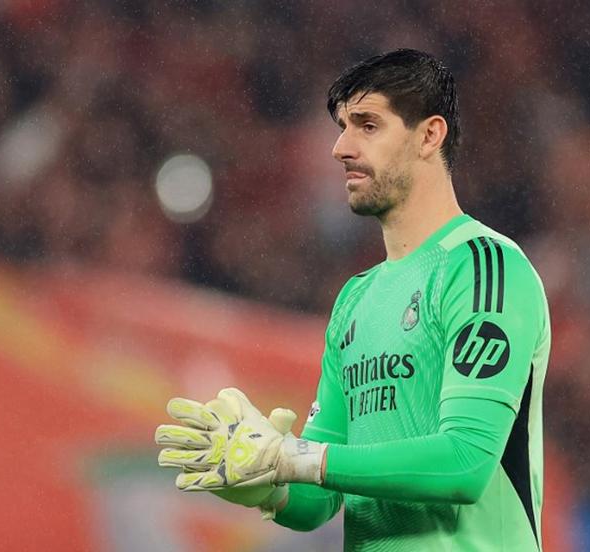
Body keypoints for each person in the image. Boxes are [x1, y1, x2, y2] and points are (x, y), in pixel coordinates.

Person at [155, 48, 550, 552]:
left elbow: (465, 463)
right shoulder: (356, 300)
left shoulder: (485, 268)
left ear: (429, 135)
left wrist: (296, 458)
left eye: (367, 125)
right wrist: (265, 488)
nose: (340, 147)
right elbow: (319, 501)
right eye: (343, 126)